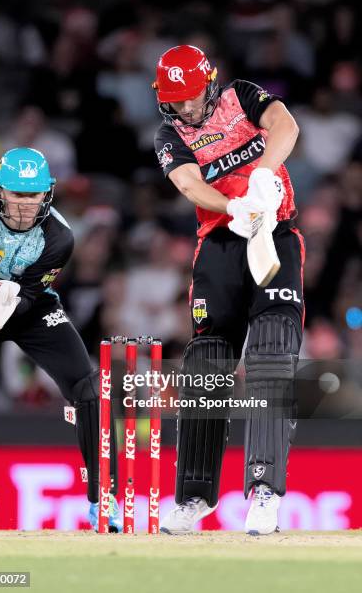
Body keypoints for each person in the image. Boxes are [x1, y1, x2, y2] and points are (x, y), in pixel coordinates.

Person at [153, 45, 305, 535]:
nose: (187, 108)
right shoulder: (168, 133)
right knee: (207, 363)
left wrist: (261, 179)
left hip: (276, 233)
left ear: (210, 82)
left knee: (272, 351)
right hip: (221, 241)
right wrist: (234, 209)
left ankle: (264, 492)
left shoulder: (241, 96)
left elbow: (286, 127)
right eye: (176, 100)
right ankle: (195, 498)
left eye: (193, 96)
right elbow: (189, 184)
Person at [0, 147, 121, 532]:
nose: (26, 206)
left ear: (47, 192)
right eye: (17, 194)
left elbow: (28, 296)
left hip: (26, 307)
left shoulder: (59, 236)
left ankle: (103, 501)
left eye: (33, 195)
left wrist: (1, 310)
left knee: (89, 390)